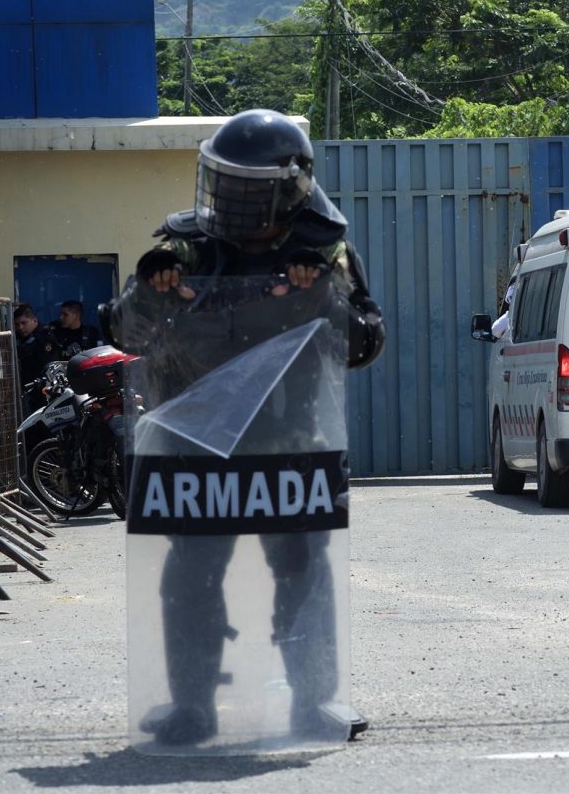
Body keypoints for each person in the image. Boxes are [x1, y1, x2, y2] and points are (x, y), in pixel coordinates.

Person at [109, 109, 385, 747]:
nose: (227, 199)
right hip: (196, 448)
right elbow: (125, 332)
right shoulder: (182, 247)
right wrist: (153, 291)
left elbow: (366, 343)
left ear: (287, 189)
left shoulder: (324, 251)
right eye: (222, 183)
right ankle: (192, 708)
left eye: (243, 188)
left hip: (290, 449)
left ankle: (314, 705)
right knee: (190, 578)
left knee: (302, 575)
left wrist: (320, 296)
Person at [13, 303, 60, 413]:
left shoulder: (43, 335)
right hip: (29, 389)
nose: (20, 327)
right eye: (17, 324)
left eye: (24, 323)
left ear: (34, 320)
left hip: (45, 389)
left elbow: (23, 351)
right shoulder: (21, 335)